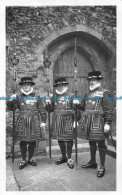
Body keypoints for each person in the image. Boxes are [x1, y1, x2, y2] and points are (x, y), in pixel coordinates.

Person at [78, 71, 113, 178]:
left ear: (98, 81)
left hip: (99, 121)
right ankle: (93, 162)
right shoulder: (87, 94)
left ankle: (102, 166)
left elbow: (109, 109)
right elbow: (84, 107)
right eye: (90, 80)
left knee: (101, 144)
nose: (91, 82)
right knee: (92, 142)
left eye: (94, 80)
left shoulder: (105, 93)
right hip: (89, 121)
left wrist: (108, 123)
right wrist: (78, 104)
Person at [7, 76, 47, 169]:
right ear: (22, 86)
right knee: (23, 141)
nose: (26, 86)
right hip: (22, 121)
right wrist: (11, 100)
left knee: (32, 141)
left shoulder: (37, 96)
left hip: (34, 121)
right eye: (24, 85)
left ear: (31, 86)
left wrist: (43, 121)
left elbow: (42, 109)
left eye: (28, 85)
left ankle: (31, 158)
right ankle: (23, 159)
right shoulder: (18, 96)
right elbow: (11, 108)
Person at [46, 78, 80, 169]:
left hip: (68, 119)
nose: (60, 87)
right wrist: (48, 103)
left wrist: (76, 120)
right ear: (56, 87)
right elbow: (50, 110)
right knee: (60, 139)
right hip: (57, 119)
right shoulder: (54, 97)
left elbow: (77, 110)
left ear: (65, 86)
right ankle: (63, 157)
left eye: (62, 85)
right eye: (58, 86)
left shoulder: (71, 96)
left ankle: (69, 158)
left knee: (68, 139)